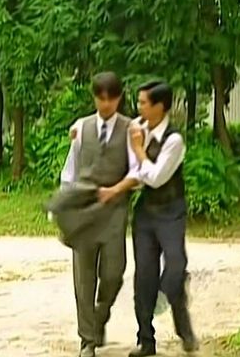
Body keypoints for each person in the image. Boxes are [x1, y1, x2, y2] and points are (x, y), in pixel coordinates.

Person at [60, 71, 139, 357]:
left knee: (113, 272)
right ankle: (87, 340)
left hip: (114, 211)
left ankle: (100, 315)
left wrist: (116, 190)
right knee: (83, 276)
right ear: (94, 98)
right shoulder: (82, 128)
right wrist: (65, 203)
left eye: (111, 98)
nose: (106, 104)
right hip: (83, 209)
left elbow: (138, 172)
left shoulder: (131, 129)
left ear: (118, 98)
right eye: (101, 98)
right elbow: (70, 170)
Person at [127, 80, 199, 357]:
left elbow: (156, 178)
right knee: (144, 277)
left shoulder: (174, 140)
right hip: (146, 213)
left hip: (171, 211)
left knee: (174, 269)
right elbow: (135, 175)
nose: (139, 107)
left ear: (160, 106)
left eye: (143, 102)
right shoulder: (137, 129)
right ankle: (146, 340)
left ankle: (184, 329)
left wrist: (139, 151)